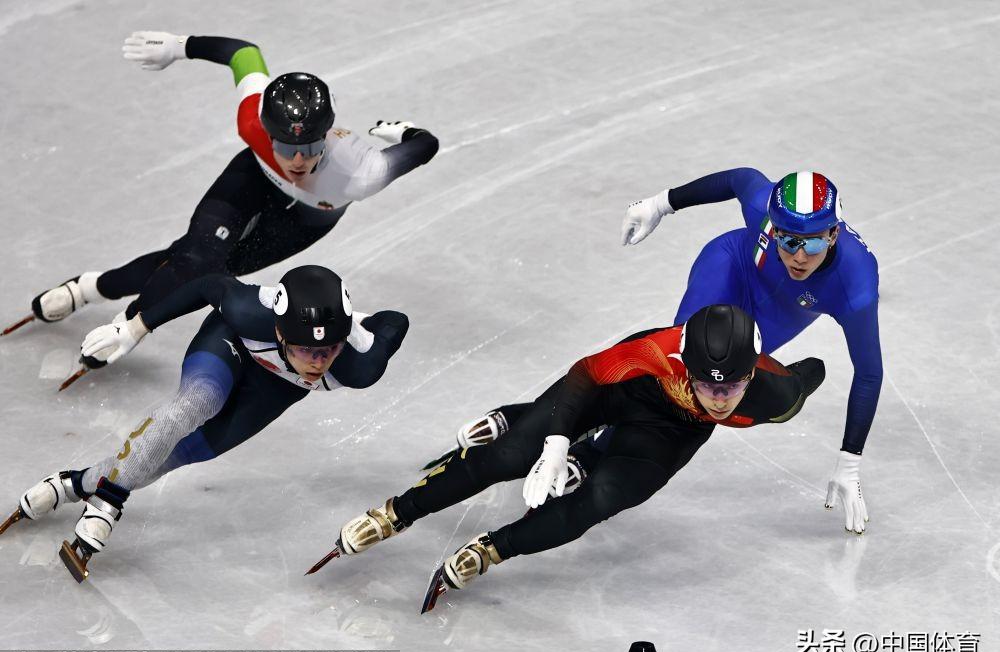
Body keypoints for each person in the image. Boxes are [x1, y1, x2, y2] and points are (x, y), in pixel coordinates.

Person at [328, 305, 825, 606]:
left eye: (732, 386)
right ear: (685, 364)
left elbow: (809, 373)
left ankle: (494, 549)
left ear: (752, 375)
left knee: (601, 498)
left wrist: (809, 375)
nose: (718, 399)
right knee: (510, 457)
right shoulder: (657, 351)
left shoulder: (775, 397)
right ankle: (396, 512)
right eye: (706, 384)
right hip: (620, 390)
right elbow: (585, 375)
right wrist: (556, 442)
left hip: (671, 432)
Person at [21, 30, 437, 370]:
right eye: (284, 146)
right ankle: (95, 295)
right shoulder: (252, 119)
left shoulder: (360, 173)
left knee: (214, 268)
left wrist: (407, 133)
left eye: (310, 148)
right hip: (253, 177)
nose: (297, 161)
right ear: (266, 131)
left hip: (307, 218)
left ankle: (99, 297)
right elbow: (243, 53)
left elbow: (426, 146)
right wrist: (179, 46)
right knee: (194, 257)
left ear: (326, 136)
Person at [1, 265, 409, 582]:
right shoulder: (249, 311)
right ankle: (107, 499)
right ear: (280, 331)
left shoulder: (358, 366)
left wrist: (359, 331)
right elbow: (207, 284)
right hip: (230, 342)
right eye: (306, 349)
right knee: (196, 403)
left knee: (181, 454)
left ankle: (75, 484)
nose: (318, 362)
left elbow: (397, 320)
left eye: (329, 349)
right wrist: (136, 328)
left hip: (275, 390)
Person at [620, 169, 880, 534]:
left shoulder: (856, 282)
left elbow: (869, 373)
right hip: (731, 266)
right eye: (788, 240)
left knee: (713, 389)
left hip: (779, 315)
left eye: (812, 244)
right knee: (678, 364)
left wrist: (849, 461)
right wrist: (661, 204)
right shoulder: (761, 206)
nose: (799, 257)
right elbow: (739, 178)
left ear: (833, 234)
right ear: (773, 228)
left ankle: (610, 447)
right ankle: (594, 432)